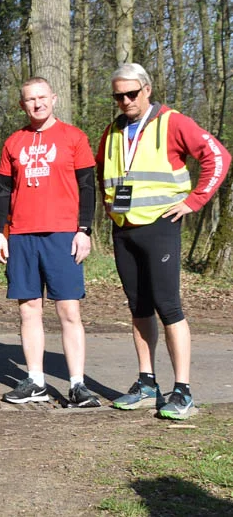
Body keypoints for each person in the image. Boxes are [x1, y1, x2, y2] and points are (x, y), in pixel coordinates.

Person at [97, 63, 230, 420]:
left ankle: (183, 390)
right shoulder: (111, 131)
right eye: (118, 95)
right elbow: (102, 173)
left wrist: (194, 200)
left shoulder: (173, 122)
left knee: (169, 307)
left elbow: (217, 156)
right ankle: (146, 383)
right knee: (138, 307)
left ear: (147, 90)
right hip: (123, 229)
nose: (125, 100)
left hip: (161, 226)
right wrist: (109, 207)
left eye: (131, 94)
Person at [0, 77, 99, 408]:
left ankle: (77, 384)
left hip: (63, 234)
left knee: (68, 309)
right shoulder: (13, 142)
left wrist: (85, 230)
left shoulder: (74, 137)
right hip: (22, 234)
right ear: (22, 104)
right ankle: (35, 380)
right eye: (29, 99)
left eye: (42, 97)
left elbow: (87, 187)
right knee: (29, 310)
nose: (36, 104)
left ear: (53, 98)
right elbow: (4, 191)